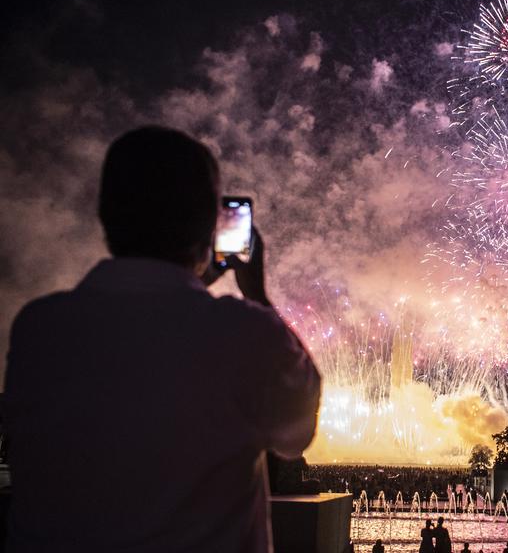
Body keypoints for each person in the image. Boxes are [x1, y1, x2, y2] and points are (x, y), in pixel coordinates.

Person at [3, 126, 322, 552]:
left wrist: (187, 282)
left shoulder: (37, 328)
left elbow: (150, 331)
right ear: (210, 226)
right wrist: (257, 295)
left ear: (104, 214)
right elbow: (296, 434)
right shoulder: (246, 332)